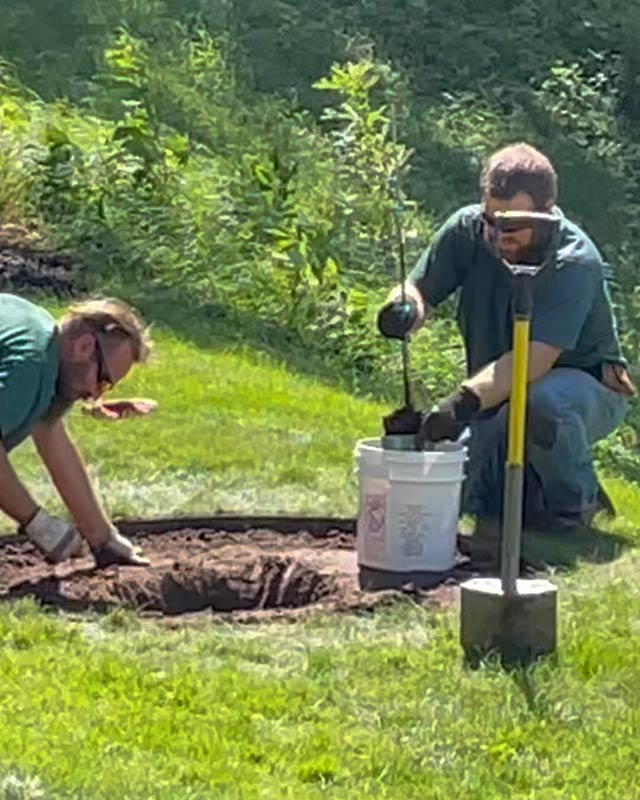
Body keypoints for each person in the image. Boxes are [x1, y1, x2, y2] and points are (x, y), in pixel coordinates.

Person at [377, 142, 635, 535]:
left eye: (512, 225)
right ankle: (532, 487)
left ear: (547, 213)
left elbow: (532, 362)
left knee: (539, 403)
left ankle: (574, 509)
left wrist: (458, 405)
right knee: (448, 497)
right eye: (490, 220)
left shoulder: (575, 262)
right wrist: (403, 309)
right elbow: (418, 288)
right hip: (497, 394)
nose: (497, 235)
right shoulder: (468, 229)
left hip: (580, 392)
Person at [0, 293, 152, 566]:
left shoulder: (39, 339)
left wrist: (103, 537)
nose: (94, 395)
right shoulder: (29, 364)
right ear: (83, 346)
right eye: (102, 381)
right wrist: (38, 523)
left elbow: (51, 435)